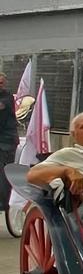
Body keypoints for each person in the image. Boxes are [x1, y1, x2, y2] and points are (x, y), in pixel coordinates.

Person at [0, 72, 19, 210]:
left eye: (1, 82)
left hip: (5, 143)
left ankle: (2, 203)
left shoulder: (6, 99)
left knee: (3, 173)